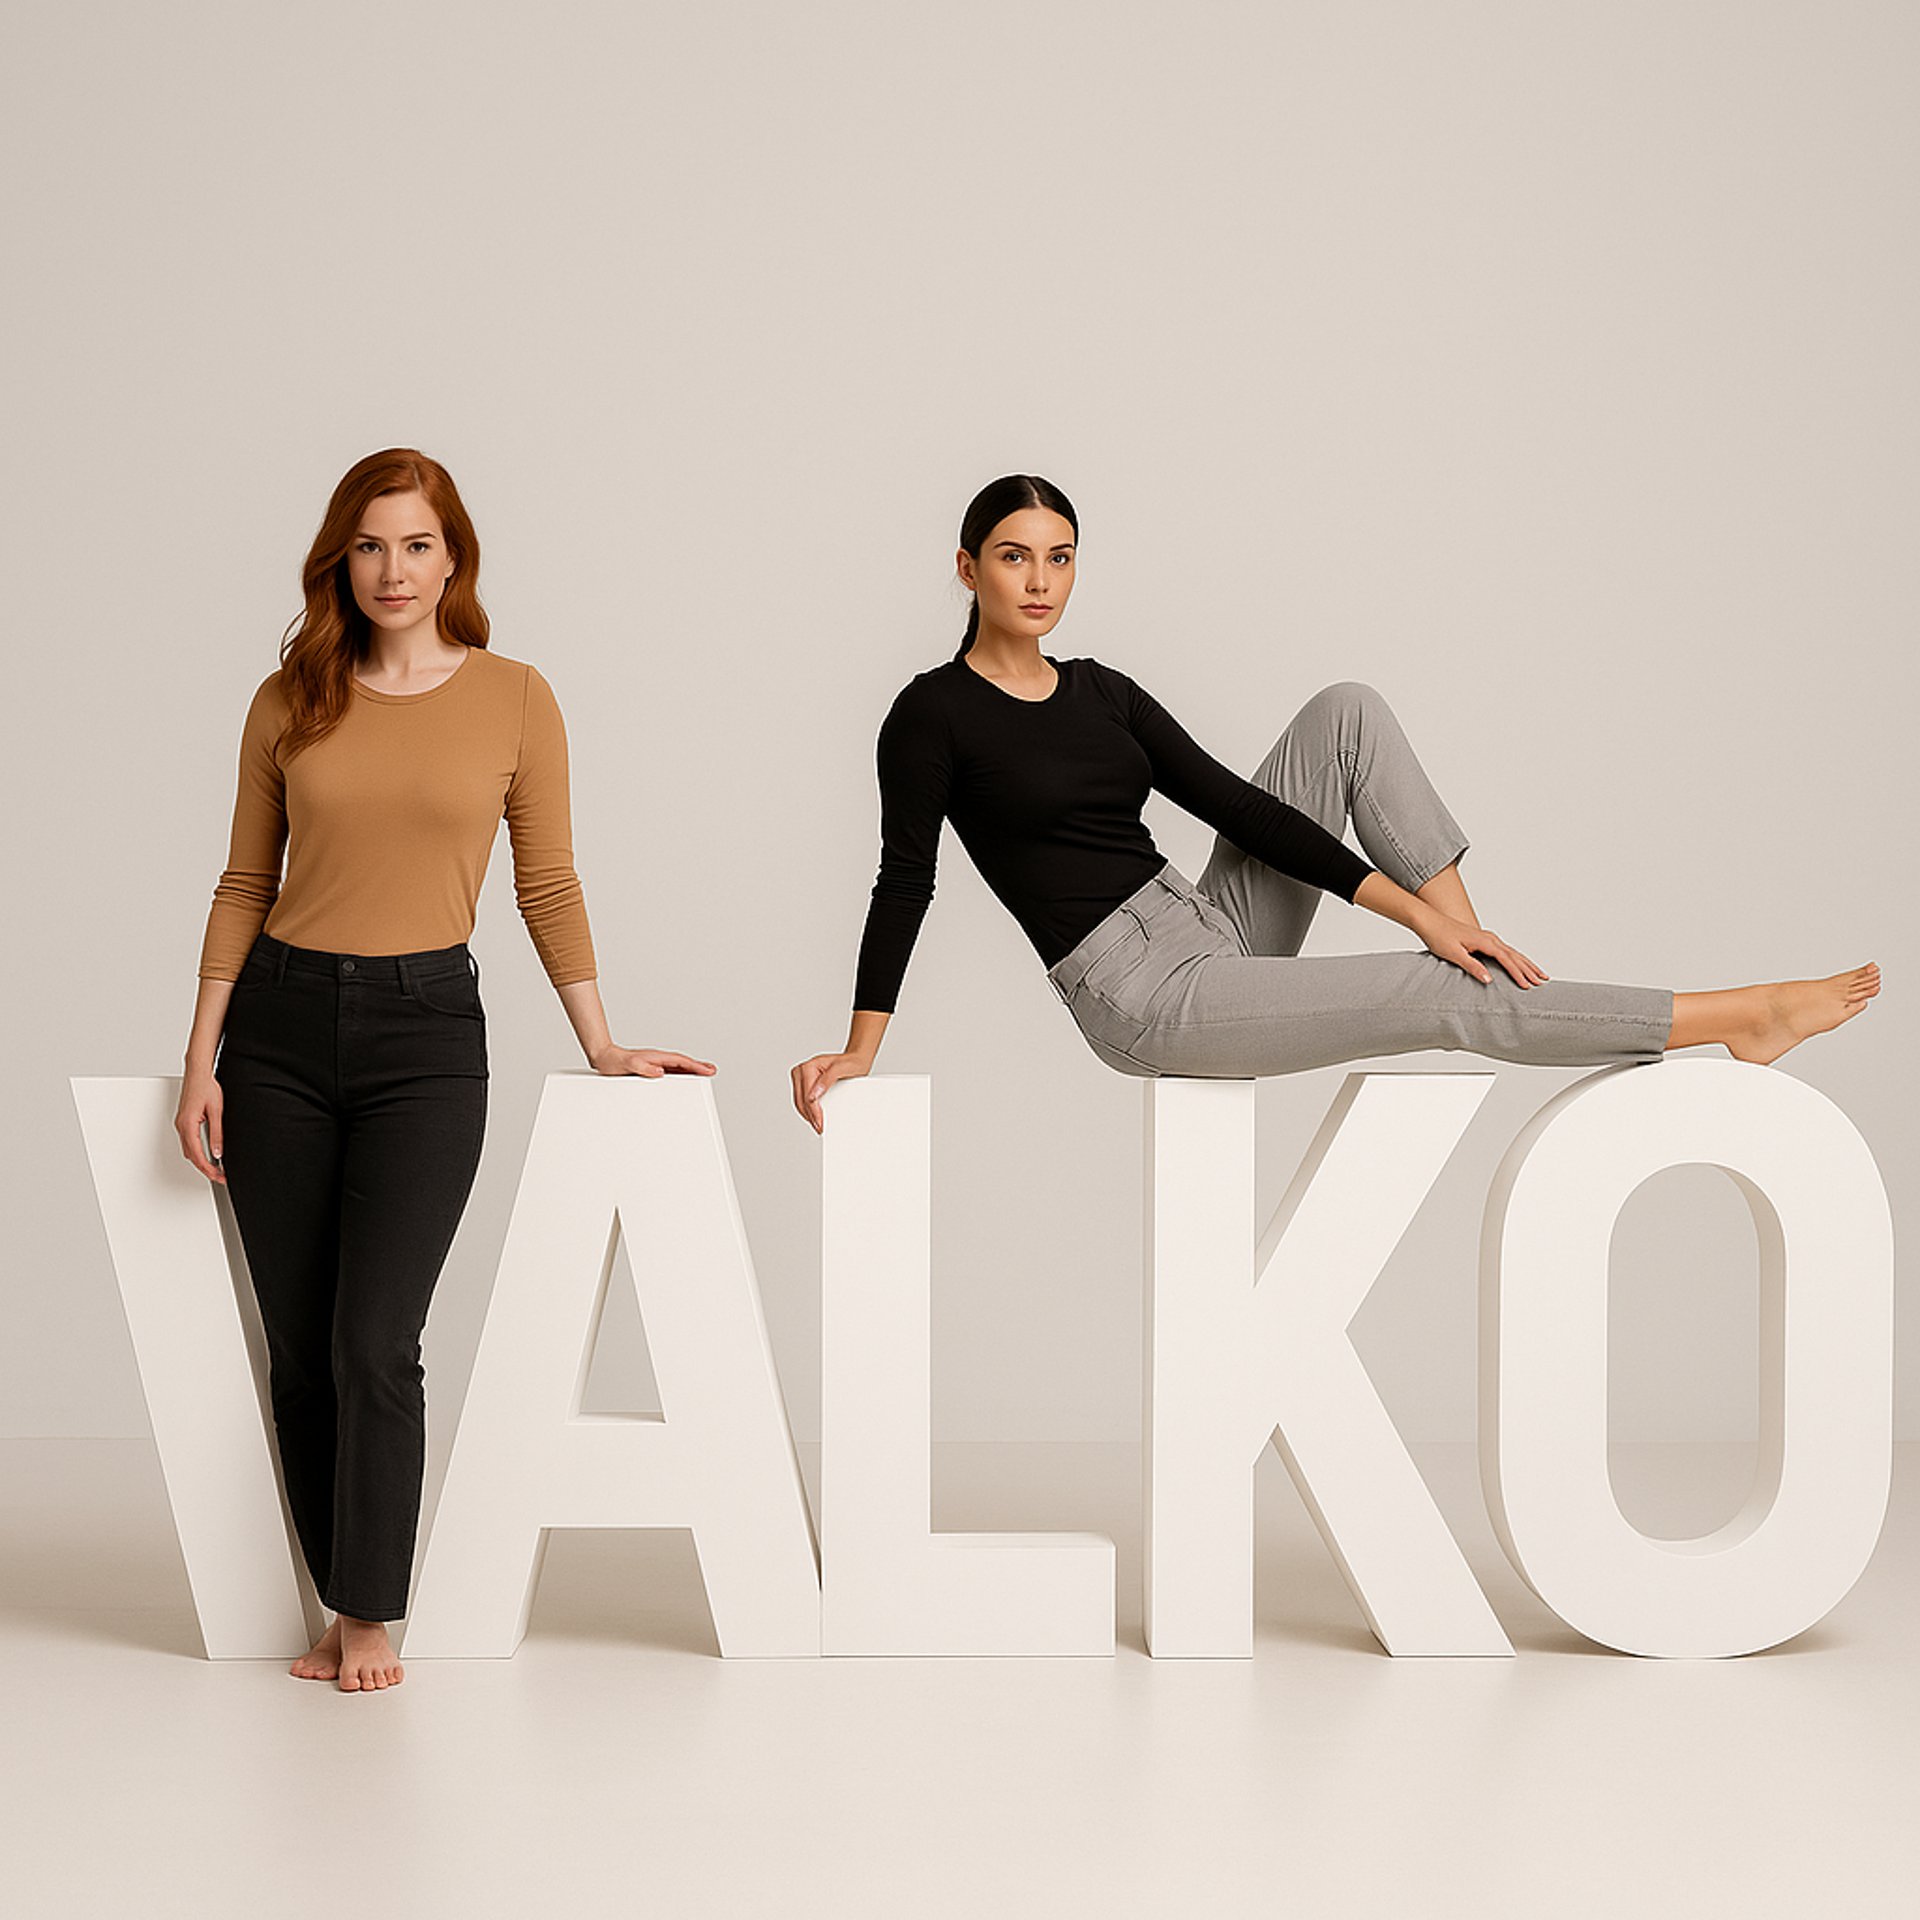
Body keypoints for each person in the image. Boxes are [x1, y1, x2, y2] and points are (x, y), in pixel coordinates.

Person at [791, 473, 1878, 1127]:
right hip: (1139, 997)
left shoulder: (1103, 693)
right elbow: (907, 879)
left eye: (1060, 558)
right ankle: (1740, 1016)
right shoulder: (930, 715)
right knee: (1436, 995)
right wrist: (861, 1046)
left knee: (1345, 714)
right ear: (968, 568)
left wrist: (1422, 915)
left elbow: (1239, 807)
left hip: (1202, 926)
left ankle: (1477, 948)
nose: (1039, 580)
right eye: (1014, 557)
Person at [174, 448, 714, 1692]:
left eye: (417, 544)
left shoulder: (518, 698)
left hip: (426, 1037)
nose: (393, 570)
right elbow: (245, 884)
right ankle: (332, 1596)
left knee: (377, 1336)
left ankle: (370, 1612)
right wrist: (201, 1060)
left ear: (454, 556)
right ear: (339, 560)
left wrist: (601, 1040)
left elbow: (547, 883)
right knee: (302, 1347)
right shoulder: (289, 698)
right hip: (279, 1031)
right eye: (369, 546)